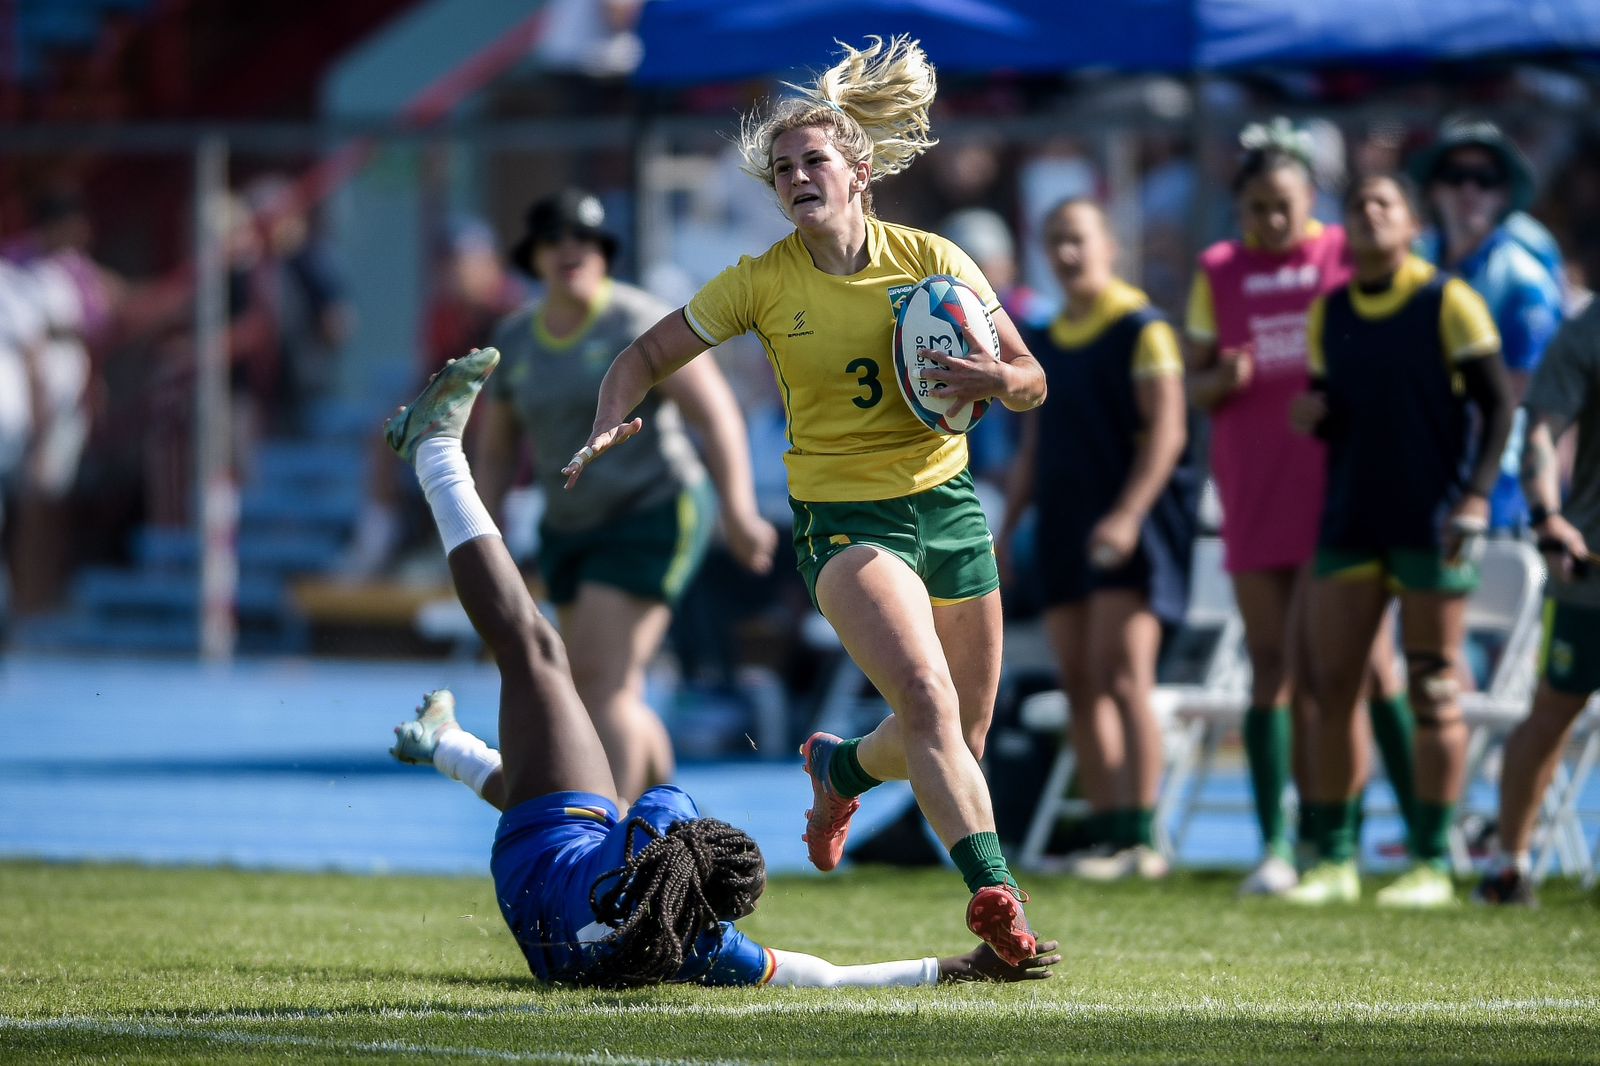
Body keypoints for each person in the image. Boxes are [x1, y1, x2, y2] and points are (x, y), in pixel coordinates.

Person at [562, 36, 1047, 964]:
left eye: (812, 160)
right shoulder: (762, 280)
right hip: (845, 525)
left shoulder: (934, 261)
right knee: (926, 699)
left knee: (961, 732)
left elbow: (1032, 380)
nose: (795, 177)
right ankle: (998, 896)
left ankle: (838, 768)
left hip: (949, 506)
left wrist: (991, 373)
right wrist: (608, 419)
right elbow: (642, 357)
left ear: (859, 170)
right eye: (781, 169)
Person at [380, 347, 1060, 986]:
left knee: (536, 652)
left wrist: (952, 967)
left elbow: (659, 819)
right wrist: (955, 970)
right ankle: (444, 745)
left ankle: (434, 449)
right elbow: (820, 977)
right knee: (574, 791)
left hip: (566, 859)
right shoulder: (692, 946)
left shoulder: (657, 829)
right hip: (540, 924)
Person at [474, 188, 776, 802]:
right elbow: (499, 448)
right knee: (598, 689)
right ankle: (664, 814)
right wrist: (485, 530)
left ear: (604, 251)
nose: (570, 251)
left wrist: (739, 511)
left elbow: (717, 415)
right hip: (570, 526)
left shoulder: (637, 321)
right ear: (532, 255)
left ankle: (601, 843)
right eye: (555, 238)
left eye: (584, 238)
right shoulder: (516, 342)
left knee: (601, 683)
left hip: (652, 511)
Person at [1185, 119, 1414, 896]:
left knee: (1360, 667)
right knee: (1272, 668)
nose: (1270, 222)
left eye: (1283, 205)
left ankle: (1412, 841)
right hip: (1255, 487)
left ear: (1310, 197)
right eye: (1255, 208)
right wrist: (1224, 380)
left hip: (1338, 488)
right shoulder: (1218, 269)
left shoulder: (1344, 255)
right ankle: (1282, 846)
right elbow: (1195, 382)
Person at [1286, 173, 1513, 908]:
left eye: (1385, 203)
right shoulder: (1330, 310)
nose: (1370, 214)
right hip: (1351, 519)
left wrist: (1476, 496)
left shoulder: (1448, 300)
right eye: (1358, 206)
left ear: (1413, 222)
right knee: (1331, 689)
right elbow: (1339, 411)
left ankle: (1431, 863)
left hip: (1432, 521)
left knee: (1434, 687)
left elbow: (1499, 408)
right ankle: (1335, 859)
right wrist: (1312, 414)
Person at [1000, 199, 1197, 880]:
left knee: (1123, 677)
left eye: (1078, 239)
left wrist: (1129, 515)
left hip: (1129, 529)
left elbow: (1169, 433)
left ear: (1110, 244)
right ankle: (1108, 834)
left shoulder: (1142, 329)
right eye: (1054, 241)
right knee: (1080, 682)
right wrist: (1009, 527)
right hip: (1062, 524)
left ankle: (1142, 835)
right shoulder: (1045, 340)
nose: (1067, 253)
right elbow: (1033, 447)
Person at [1475, 297, 1600, 906]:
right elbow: (1544, 430)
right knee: (1552, 709)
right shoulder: (1587, 332)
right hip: (1590, 566)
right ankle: (1507, 867)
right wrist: (1548, 517)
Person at [1411, 116, 1564, 533]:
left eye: (1485, 179)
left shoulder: (1525, 282)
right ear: (1432, 188)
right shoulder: (1413, 259)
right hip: (1414, 471)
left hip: (1493, 482)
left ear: (1503, 195)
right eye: (1455, 176)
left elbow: (1518, 398)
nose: (1469, 191)